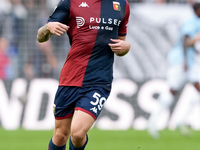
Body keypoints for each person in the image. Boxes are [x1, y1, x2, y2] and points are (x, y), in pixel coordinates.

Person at [37, 0, 130, 149]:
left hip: (99, 81)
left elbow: (121, 43)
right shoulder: (70, 2)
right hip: (70, 78)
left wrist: (126, 47)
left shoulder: (122, 4)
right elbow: (40, 37)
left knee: (78, 133)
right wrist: (48, 28)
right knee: (61, 135)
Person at [147, 1, 200, 139]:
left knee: (196, 89)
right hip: (181, 62)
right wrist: (185, 61)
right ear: (197, 10)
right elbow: (185, 41)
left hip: (191, 63)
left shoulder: (197, 21)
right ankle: (152, 121)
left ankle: (181, 121)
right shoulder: (192, 22)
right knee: (172, 90)